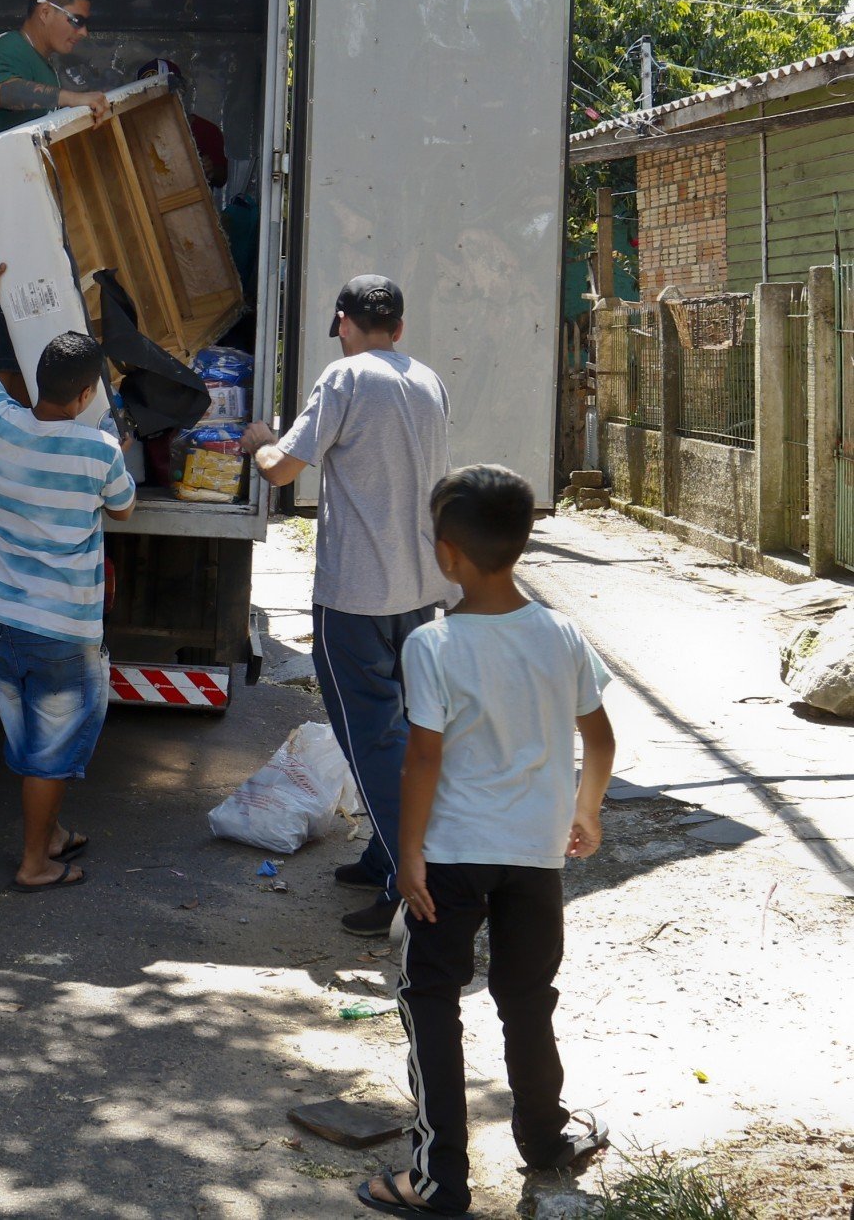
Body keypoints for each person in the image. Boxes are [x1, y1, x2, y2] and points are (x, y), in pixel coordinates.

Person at [356, 464, 615, 1217]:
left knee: (431, 998)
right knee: (527, 997)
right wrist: (586, 810)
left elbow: (424, 758)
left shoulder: (433, 645)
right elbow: (599, 738)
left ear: (447, 553)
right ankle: (545, 1140)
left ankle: (440, 1179)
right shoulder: (563, 634)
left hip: (451, 856)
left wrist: (407, 853)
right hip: (534, 856)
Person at [238, 274, 449, 937]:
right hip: (418, 592)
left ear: (343, 324)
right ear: (401, 326)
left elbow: (282, 468)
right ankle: (383, 852)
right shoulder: (427, 379)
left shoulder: (346, 378)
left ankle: (403, 884)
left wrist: (257, 440)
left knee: (373, 740)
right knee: (402, 734)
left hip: (355, 595)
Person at [0, 262, 135, 892]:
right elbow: (121, 506)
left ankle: (53, 834)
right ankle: (35, 861)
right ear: (88, 394)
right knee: (52, 750)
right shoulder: (99, 452)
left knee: (31, 738)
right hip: (61, 628)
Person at [0, 0, 112, 403]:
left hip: (8, 234)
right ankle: (3, 451)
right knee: (1, 357)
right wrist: (72, 99)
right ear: (44, 11)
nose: (83, 31)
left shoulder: (43, 66)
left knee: (17, 353)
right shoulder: (10, 50)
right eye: (76, 19)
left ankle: (13, 447)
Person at [134, 59, 228, 189]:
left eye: (166, 91)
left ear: (181, 91)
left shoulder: (206, 130)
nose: (158, 98)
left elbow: (222, 178)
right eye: (149, 93)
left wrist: (210, 169)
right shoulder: (133, 132)